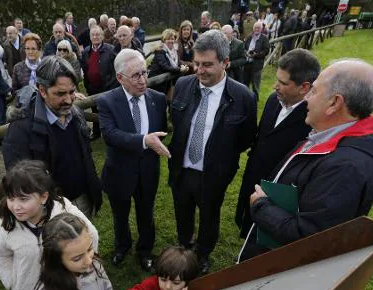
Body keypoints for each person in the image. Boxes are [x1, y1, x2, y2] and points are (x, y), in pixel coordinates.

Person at [238, 59, 373, 262]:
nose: (306, 98)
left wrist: (261, 206)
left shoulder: (346, 168)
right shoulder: (327, 136)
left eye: (313, 92)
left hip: (279, 269)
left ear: (334, 103)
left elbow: (310, 238)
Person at [168, 30, 256, 274]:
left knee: (209, 215)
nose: (200, 70)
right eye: (197, 63)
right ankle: (185, 245)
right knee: (182, 211)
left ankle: (203, 253)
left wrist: (222, 156)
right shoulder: (184, 85)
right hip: (182, 169)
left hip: (214, 173)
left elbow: (246, 137)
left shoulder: (243, 97)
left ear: (225, 63)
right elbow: (176, 121)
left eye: (207, 64)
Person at [3, 56, 102, 218]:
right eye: (60, 93)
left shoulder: (75, 115)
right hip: (51, 211)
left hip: (83, 200)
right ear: (42, 90)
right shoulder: (20, 129)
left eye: (72, 92)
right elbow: (19, 181)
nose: (69, 100)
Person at [97, 49, 169, 271]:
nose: (143, 80)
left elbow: (162, 131)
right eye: (136, 76)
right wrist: (144, 141)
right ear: (120, 78)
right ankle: (122, 246)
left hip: (148, 171)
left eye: (144, 73)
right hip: (119, 172)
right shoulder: (107, 101)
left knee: (146, 213)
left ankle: (145, 251)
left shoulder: (157, 99)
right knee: (120, 215)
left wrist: (150, 142)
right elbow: (109, 135)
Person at [0, 160, 98, 290]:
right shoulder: (5, 225)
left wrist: (82, 265)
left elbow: (92, 236)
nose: (15, 207)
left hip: (71, 288)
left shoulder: (64, 210)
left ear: (43, 197)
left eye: (23, 199)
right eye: (11, 198)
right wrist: (12, 283)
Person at [235, 48, 319, 234]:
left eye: (283, 82)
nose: (275, 86)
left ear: (304, 87)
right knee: (248, 225)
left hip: (279, 193)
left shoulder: (313, 118)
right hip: (254, 178)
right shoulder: (273, 100)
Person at [119, 246, 198, 290]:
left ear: (187, 281)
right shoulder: (151, 284)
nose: (168, 287)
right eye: (163, 279)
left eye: (176, 283)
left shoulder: (189, 288)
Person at [81, 26, 117, 140]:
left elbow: (114, 70)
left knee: (108, 112)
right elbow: (85, 69)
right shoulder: (86, 51)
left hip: (106, 88)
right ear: (90, 37)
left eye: (98, 34)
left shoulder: (111, 49)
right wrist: (87, 85)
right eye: (93, 35)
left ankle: (110, 134)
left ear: (102, 36)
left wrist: (109, 85)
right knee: (94, 111)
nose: (95, 37)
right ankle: (96, 133)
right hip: (92, 88)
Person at [148, 29, 189, 96]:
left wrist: (184, 66)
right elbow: (165, 67)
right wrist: (180, 69)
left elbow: (178, 62)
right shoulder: (160, 51)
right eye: (168, 39)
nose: (171, 41)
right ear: (164, 40)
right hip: (156, 82)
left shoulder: (174, 51)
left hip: (166, 82)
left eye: (172, 39)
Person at [243, 21, 270, 101]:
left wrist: (256, 55)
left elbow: (266, 50)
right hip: (247, 63)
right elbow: (244, 47)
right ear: (253, 28)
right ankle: (245, 97)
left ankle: (254, 100)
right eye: (255, 27)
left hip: (257, 64)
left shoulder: (264, 38)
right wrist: (246, 53)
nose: (257, 29)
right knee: (245, 82)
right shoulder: (249, 37)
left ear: (261, 29)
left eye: (258, 28)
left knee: (255, 84)